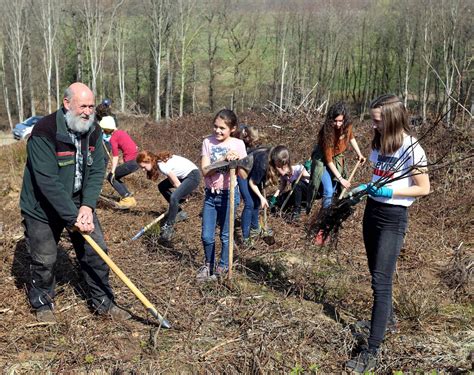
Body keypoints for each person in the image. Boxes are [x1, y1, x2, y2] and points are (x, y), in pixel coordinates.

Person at [19, 82, 130, 323]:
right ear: (67, 104)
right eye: (83, 106)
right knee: (45, 259)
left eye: (91, 106)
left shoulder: (94, 130)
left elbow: (97, 169)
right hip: (42, 206)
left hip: (79, 201)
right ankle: (42, 304)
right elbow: (46, 181)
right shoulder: (44, 131)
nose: (88, 112)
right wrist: (73, 217)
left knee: (96, 252)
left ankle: (103, 302)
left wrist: (87, 206)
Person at [345, 94, 430, 372]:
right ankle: (388, 320)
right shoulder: (381, 143)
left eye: (377, 120)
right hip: (373, 211)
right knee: (374, 273)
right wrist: (365, 189)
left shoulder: (412, 148)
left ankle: (372, 350)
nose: (373, 125)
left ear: (392, 119)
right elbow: (377, 175)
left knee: (381, 282)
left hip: (393, 217)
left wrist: (389, 191)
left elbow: (423, 188)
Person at [307, 102, 366, 244]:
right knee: (328, 191)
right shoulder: (325, 132)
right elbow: (328, 161)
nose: (338, 124)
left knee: (335, 192)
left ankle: (326, 222)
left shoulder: (347, 125)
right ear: (330, 119)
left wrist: (359, 153)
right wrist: (341, 179)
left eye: (341, 121)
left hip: (336, 160)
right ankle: (321, 228)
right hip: (324, 161)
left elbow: (351, 138)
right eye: (335, 121)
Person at [198, 109, 247, 281]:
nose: (217, 131)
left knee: (226, 235)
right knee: (206, 235)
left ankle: (223, 266)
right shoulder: (208, 142)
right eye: (215, 127)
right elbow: (205, 171)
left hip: (229, 194)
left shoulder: (238, 145)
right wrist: (223, 161)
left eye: (222, 128)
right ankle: (208, 265)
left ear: (232, 129)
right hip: (211, 195)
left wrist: (237, 161)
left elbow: (243, 174)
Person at [136, 150, 201, 243]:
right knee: (162, 186)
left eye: (143, 167)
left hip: (192, 176)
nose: (143, 170)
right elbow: (172, 179)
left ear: (149, 161)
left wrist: (183, 194)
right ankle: (179, 212)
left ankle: (169, 227)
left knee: (174, 197)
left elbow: (176, 183)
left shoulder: (161, 165)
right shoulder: (159, 162)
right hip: (184, 176)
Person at [99, 116, 139, 209]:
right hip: (136, 161)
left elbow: (115, 157)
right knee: (117, 177)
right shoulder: (122, 132)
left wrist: (112, 171)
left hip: (131, 163)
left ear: (108, 129)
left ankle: (126, 198)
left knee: (111, 177)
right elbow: (135, 147)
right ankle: (128, 196)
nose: (104, 131)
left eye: (104, 129)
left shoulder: (113, 138)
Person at [235, 125, 264, 246]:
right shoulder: (238, 142)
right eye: (252, 139)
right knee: (249, 203)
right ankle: (246, 237)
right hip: (241, 174)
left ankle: (255, 228)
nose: (253, 142)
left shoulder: (254, 145)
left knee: (256, 201)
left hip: (252, 173)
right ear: (246, 135)